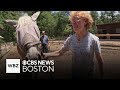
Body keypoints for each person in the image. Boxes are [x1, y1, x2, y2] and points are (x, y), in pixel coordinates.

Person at [44, 11, 103, 79]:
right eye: (72, 21)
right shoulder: (70, 39)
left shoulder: (94, 39)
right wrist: (45, 54)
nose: (73, 23)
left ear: (85, 21)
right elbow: (59, 53)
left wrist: (101, 76)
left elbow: (100, 61)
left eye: (77, 19)